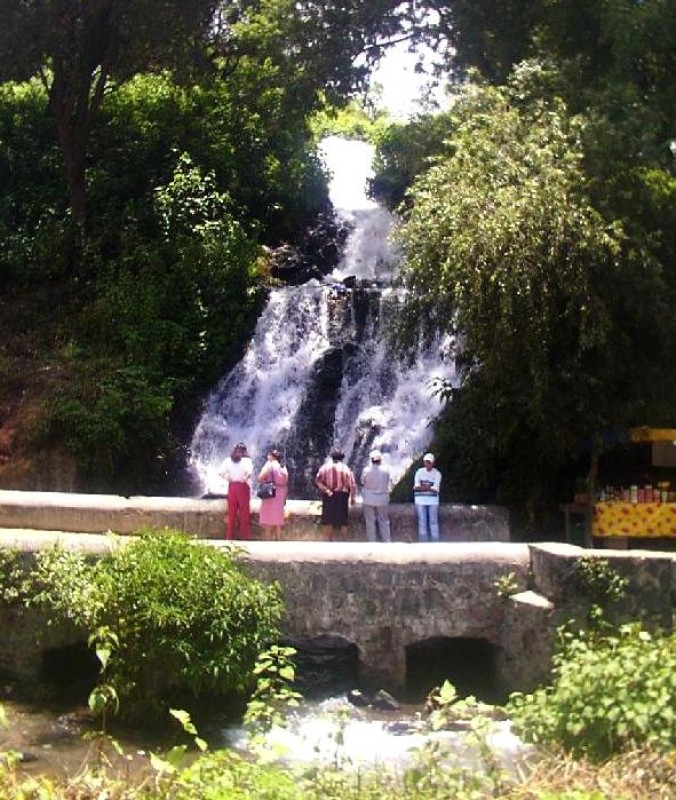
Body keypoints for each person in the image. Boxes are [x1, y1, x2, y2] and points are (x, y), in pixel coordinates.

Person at [315, 448, 357, 541]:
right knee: (343, 519)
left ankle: (329, 539)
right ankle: (344, 539)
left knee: (328, 518)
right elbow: (352, 484)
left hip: (328, 494)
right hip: (342, 495)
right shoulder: (345, 468)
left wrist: (326, 490)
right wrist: (352, 498)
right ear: (342, 458)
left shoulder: (324, 467)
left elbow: (318, 481)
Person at [219, 442, 254, 539]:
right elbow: (249, 473)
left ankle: (229, 536)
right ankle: (244, 536)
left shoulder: (228, 460)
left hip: (232, 486)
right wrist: (244, 479)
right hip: (243, 487)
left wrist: (228, 478)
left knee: (231, 513)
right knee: (244, 513)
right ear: (245, 451)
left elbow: (220, 472)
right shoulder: (247, 461)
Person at [257, 449, 289, 540]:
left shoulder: (269, 465)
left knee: (268, 517)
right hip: (280, 492)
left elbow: (260, 478)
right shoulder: (283, 467)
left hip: (270, 492)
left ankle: (268, 539)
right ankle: (278, 538)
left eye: (269, 454)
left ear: (272, 456)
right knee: (278, 517)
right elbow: (286, 482)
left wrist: (264, 481)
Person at [361, 449, 392, 542]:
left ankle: (372, 542)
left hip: (369, 499)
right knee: (384, 521)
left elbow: (362, 482)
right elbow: (389, 483)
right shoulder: (386, 470)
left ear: (371, 460)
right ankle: (387, 541)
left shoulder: (366, 470)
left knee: (370, 521)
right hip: (383, 499)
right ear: (380, 460)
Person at [413, 452, 442, 542]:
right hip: (420, 500)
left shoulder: (437, 473)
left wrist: (424, 487)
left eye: (429, 462)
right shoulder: (419, 472)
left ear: (433, 463)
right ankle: (423, 543)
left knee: (433, 522)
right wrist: (428, 487)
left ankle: (435, 542)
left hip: (433, 501)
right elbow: (416, 487)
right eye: (426, 462)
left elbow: (436, 488)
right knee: (422, 522)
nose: (427, 464)